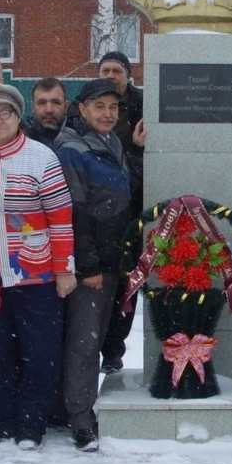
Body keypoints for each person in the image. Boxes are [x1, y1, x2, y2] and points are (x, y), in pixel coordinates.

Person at [0, 83, 76, 450]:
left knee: (40, 355)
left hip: (36, 276)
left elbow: (60, 219)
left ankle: (30, 426)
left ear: (16, 116)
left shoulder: (40, 157)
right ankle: (6, 421)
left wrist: (63, 269)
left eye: (5, 113)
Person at [54, 79, 135, 451]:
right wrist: (86, 266)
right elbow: (74, 210)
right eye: (99, 107)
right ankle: (81, 420)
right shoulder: (72, 149)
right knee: (84, 344)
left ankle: (81, 408)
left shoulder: (111, 143)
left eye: (112, 108)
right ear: (82, 109)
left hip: (112, 260)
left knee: (96, 339)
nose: (107, 114)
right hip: (93, 265)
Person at [93, 51, 146, 373]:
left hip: (135, 208)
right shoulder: (86, 108)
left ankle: (114, 350)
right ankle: (96, 347)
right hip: (99, 212)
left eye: (117, 70)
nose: (111, 75)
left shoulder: (144, 105)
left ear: (127, 75)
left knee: (129, 285)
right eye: (105, 70)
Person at [22, 76, 69, 147]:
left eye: (56, 102)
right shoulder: (20, 143)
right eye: (42, 103)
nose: (49, 110)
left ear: (66, 107)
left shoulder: (78, 144)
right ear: (32, 106)